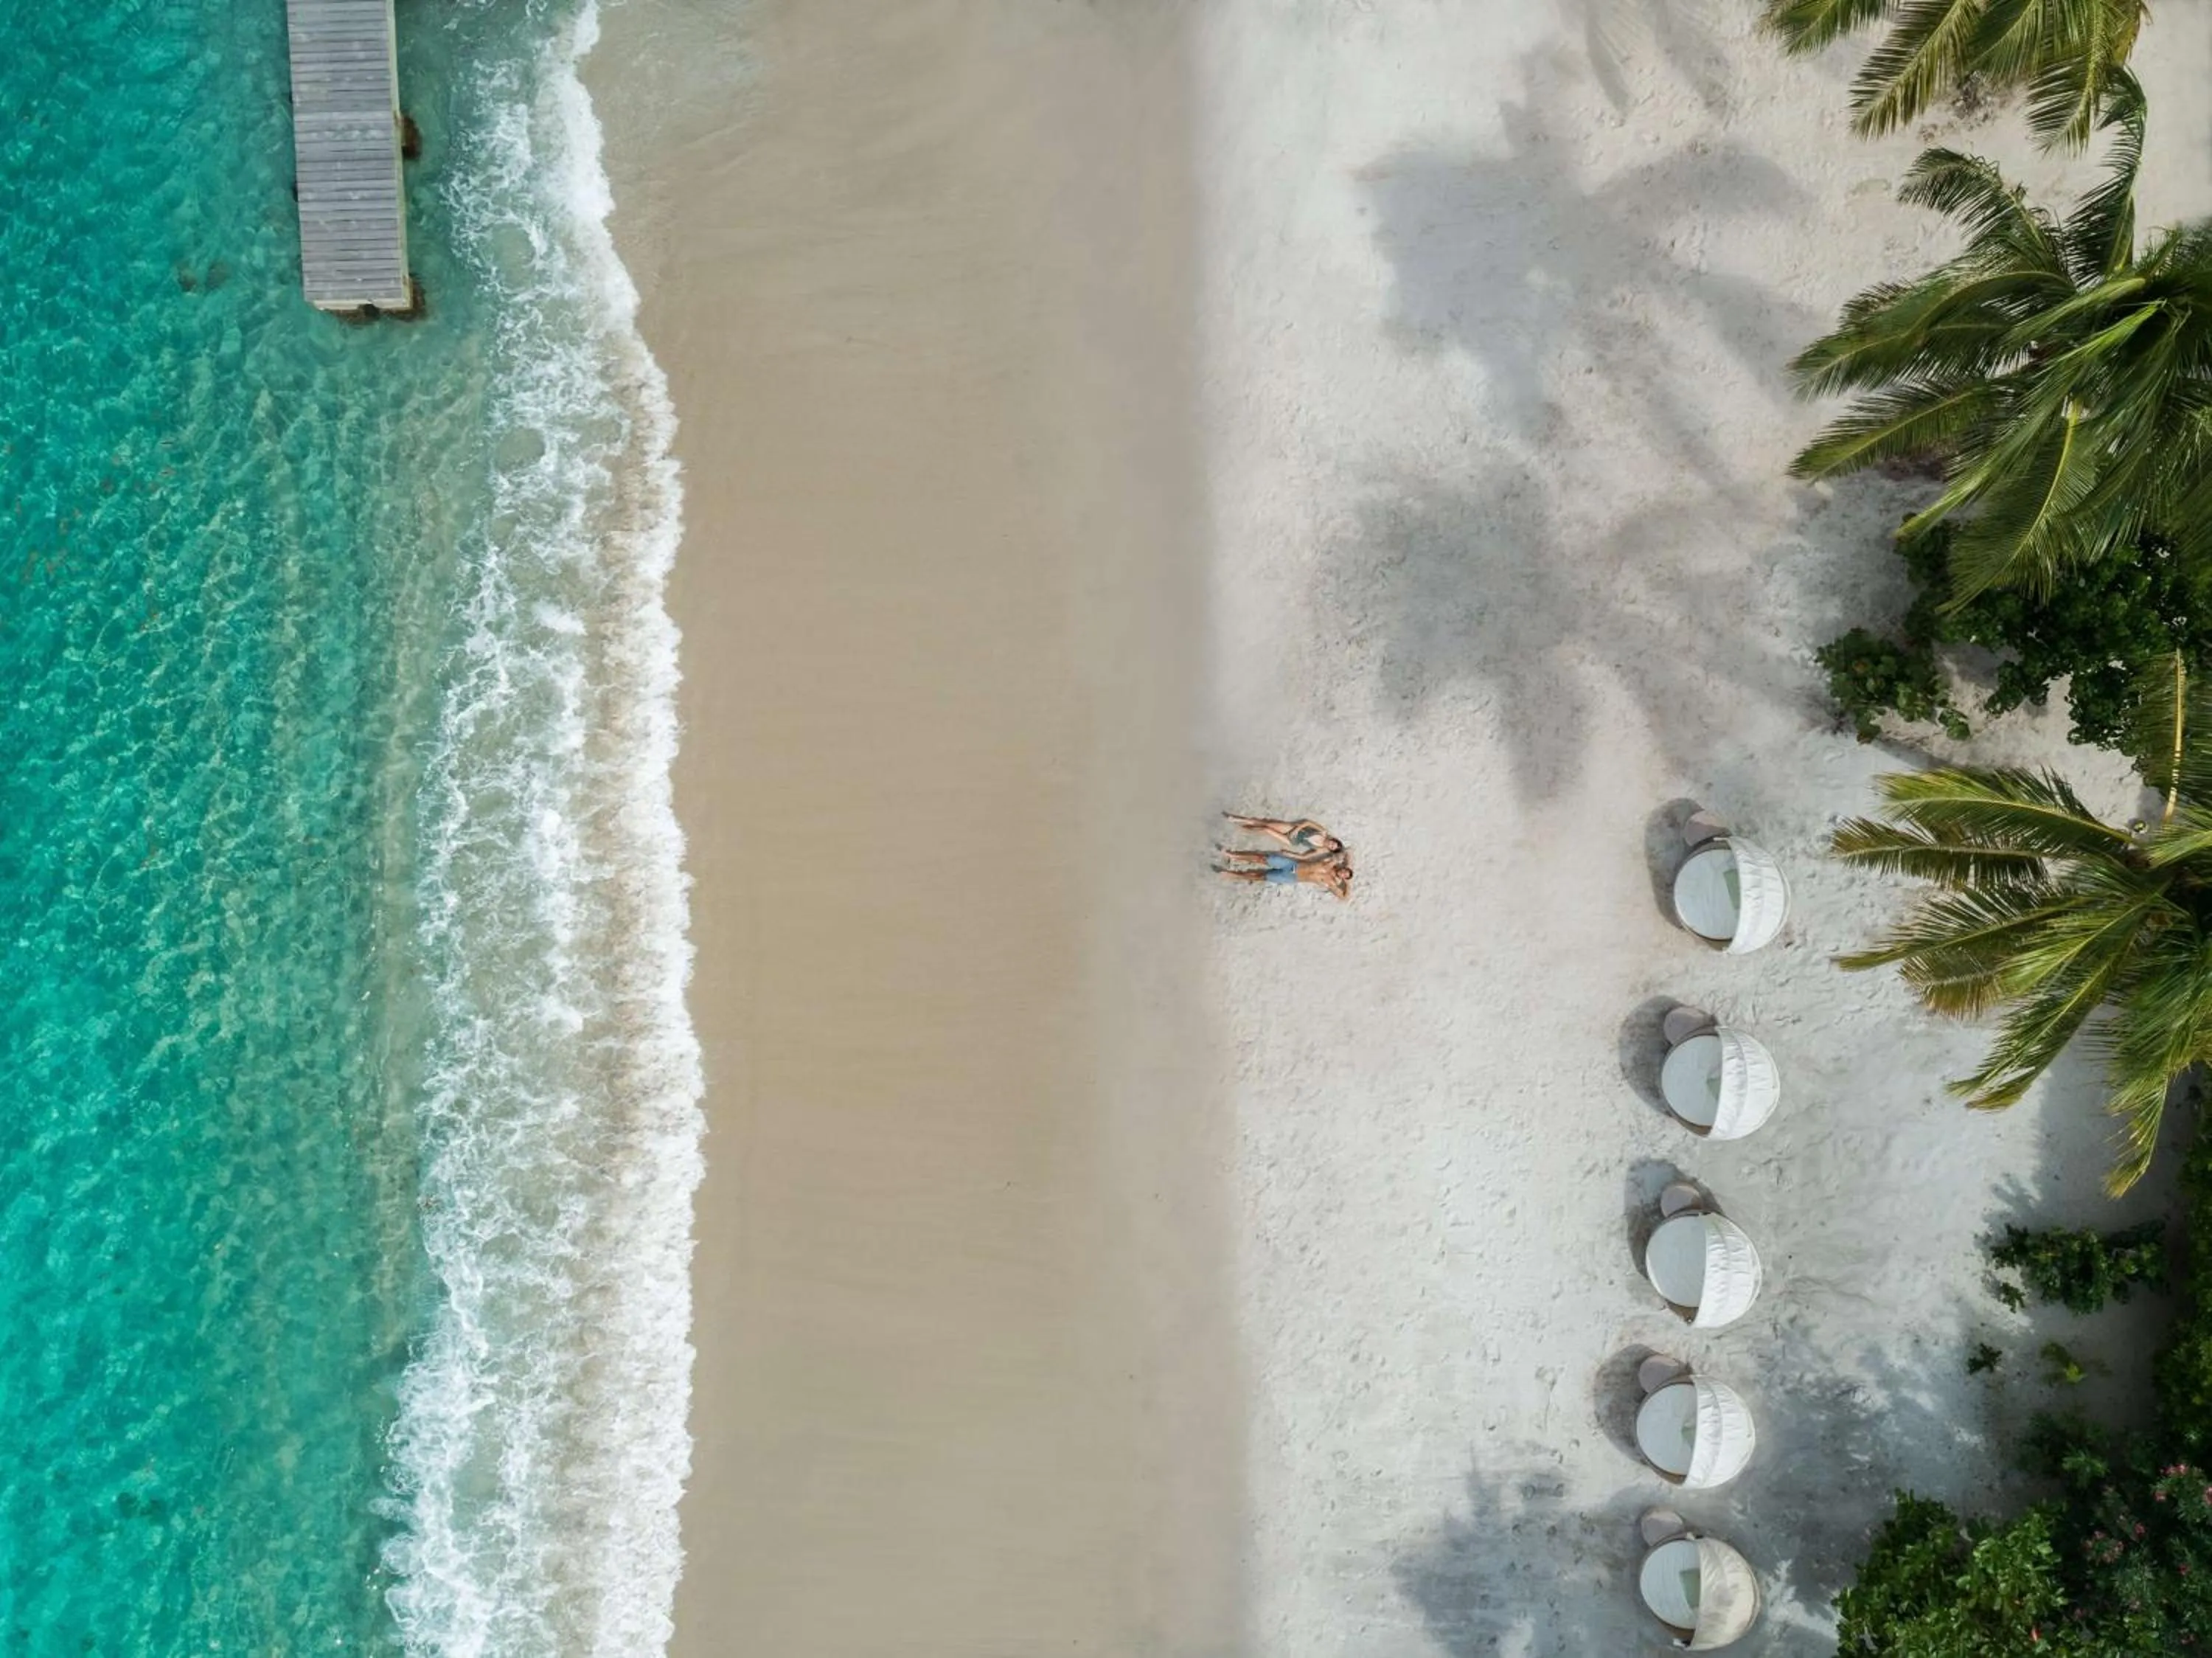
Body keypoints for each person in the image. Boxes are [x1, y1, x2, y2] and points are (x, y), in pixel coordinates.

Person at [1214, 847, 1352, 900]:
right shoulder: (1331, 863)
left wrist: (1347, 883)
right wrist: (1349, 865)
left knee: (1260, 876)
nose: (1343, 873)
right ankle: (1233, 855)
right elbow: (1348, 852)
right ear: (1343, 868)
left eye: (1345, 875)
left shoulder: (1332, 883)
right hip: (1292, 865)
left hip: (1292, 878)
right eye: (1345, 871)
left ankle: (1232, 875)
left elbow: (1345, 898)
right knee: (1262, 858)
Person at [1220, 813, 1343, 862]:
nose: (1331, 845)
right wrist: (1297, 829)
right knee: (1267, 823)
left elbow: (1305, 856)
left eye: (1332, 847)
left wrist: (1290, 854)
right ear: (1333, 840)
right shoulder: (1323, 832)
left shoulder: (1321, 849)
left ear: (1331, 849)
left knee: (1266, 830)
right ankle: (1238, 819)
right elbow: (1308, 822)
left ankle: (1242, 829)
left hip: (1292, 841)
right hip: (1292, 830)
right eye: (1334, 843)